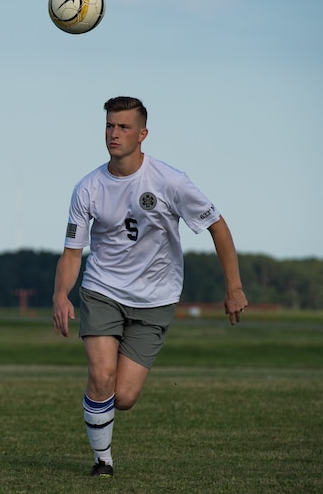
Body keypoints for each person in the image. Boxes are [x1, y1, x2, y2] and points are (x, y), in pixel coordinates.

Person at [51, 96, 248, 478]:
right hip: (102, 289)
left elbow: (217, 226)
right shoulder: (87, 187)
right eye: (109, 125)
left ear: (142, 134)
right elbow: (72, 253)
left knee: (122, 397)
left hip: (156, 298)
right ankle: (103, 461)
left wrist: (234, 287)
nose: (114, 133)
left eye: (123, 127)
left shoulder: (171, 181)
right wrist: (61, 295)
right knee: (101, 374)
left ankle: (101, 413)